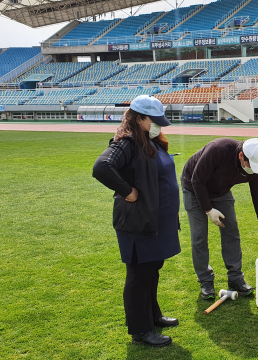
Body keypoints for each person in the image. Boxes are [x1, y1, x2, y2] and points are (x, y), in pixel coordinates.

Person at [93, 95, 180, 347]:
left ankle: (153, 316)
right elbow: (102, 166)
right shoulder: (128, 142)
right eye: (154, 121)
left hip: (155, 223)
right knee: (139, 276)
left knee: (152, 271)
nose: (159, 126)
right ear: (139, 118)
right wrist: (127, 190)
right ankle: (140, 330)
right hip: (138, 224)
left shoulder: (150, 141)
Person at [181, 138, 258, 300]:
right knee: (199, 236)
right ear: (241, 156)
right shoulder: (218, 150)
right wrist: (208, 209)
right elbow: (197, 180)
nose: (253, 169)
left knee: (231, 230)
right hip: (194, 187)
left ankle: (235, 278)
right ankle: (205, 280)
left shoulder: (255, 167)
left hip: (221, 191)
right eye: (250, 165)